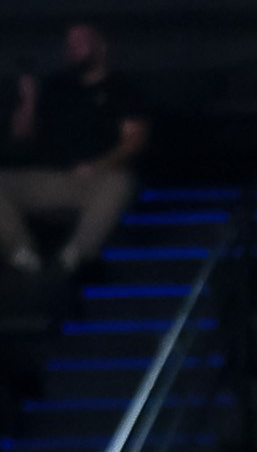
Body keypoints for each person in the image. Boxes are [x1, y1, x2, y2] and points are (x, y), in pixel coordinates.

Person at [0, 21, 148, 278]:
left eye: (81, 41)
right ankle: (21, 252)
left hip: (98, 179)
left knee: (122, 181)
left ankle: (75, 255)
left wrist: (97, 166)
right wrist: (29, 99)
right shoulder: (55, 87)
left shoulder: (122, 88)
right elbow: (21, 135)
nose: (73, 48)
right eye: (70, 43)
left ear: (100, 45)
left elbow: (135, 139)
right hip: (49, 178)